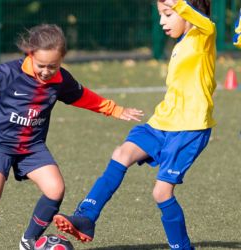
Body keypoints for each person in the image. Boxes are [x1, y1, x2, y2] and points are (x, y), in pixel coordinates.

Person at [0, 24, 143, 250]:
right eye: (41, 65)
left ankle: (28, 241)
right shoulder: (8, 74)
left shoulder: (61, 80)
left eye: (52, 67)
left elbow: (83, 97)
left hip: (32, 147)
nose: (46, 71)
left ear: (62, 59)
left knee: (55, 189)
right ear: (30, 54)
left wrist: (114, 109)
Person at [53, 1, 216, 250]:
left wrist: (179, 4)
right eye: (160, 14)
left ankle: (182, 247)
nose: (162, 21)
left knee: (161, 194)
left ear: (186, 11)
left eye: (168, 14)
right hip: (162, 122)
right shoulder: (182, 42)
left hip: (189, 129)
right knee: (122, 153)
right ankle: (86, 217)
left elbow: (205, 21)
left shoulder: (203, 36)